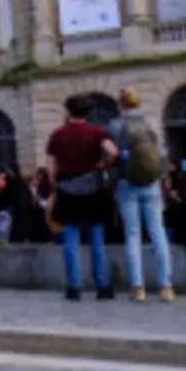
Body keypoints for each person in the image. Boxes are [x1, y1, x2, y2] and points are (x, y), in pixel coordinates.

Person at [46, 94, 119, 301]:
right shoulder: (96, 132)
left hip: (67, 190)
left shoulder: (57, 135)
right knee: (96, 238)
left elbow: (51, 168)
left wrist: (55, 186)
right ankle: (102, 285)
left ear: (68, 111)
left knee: (70, 238)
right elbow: (113, 152)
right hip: (92, 189)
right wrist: (102, 165)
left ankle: (74, 286)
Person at [106, 88, 173, 302]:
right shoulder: (151, 122)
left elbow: (110, 156)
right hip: (151, 183)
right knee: (158, 232)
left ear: (120, 104)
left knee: (133, 234)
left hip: (126, 183)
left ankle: (138, 287)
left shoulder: (115, 126)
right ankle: (166, 286)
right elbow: (162, 152)